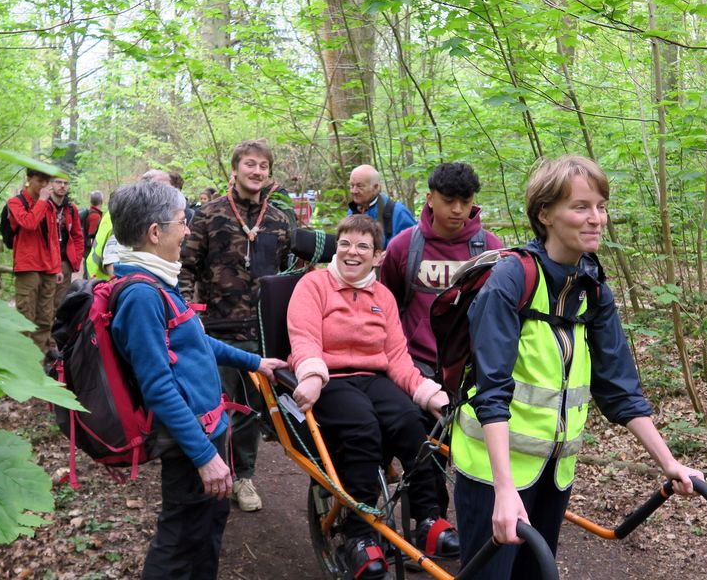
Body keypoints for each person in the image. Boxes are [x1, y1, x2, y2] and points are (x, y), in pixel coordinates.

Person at [451, 155, 704, 579]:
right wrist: (504, 489)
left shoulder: (593, 288)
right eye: (581, 206)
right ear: (545, 214)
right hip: (493, 472)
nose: (596, 218)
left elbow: (620, 389)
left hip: (553, 473)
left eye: (601, 206)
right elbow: (490, 393)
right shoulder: (512, 280)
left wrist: (670, 463)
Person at [106, 180, 286, 579]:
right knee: (179, 544)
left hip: (208, 432)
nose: (187, 230)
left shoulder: (161, 283)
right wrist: (205, 458)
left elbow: (197, 342)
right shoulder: (142, 296)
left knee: (207, 534)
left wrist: (255, 362)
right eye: (181, 221)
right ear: (155, 233)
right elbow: (158, 387)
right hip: (193, 445)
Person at [287, 214, 460, 580]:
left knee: (411, 423)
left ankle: (428, 518)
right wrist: (314, 376)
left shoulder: (382, 295)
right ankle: (359, 536)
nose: (352, 252)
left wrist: (430, 395)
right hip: (330, 377)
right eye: (346, 243)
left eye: (363, 246)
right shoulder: (313, 285)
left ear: (378, 256)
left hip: (373, 376)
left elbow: (397, 357)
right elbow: (303, 339)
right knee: (362, 428)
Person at [380, 161, 503, 516]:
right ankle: (427, 522)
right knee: (422, 449)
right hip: (413, 367)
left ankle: (447, 523)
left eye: (465, 201)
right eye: (449, 200)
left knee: (456, 451)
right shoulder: (406, 246)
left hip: (465, 371)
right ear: (430, 198)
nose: (458, 210)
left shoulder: (489, 248)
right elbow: (385, 303)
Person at [180, 139, 292, 512]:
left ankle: (243, 478)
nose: (256, 171)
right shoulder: (209, 214)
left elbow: (293, 273)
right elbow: (185, 267)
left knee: (249, 408)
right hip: (215, 329)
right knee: (213, 406)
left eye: (263, 166)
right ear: (235, 168)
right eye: (250, 164)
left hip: (260, 331)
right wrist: (187, 314)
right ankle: (210, 473)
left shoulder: (278, 220)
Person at [7, 168, 62, 353]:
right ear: (29, 179)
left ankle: (39, 364)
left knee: (45, 319)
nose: (45, 186)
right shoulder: (15, 202)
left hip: (49, 268)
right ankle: (22, 363)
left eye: (48, 182)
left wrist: (57, 267)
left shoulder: (48, 205)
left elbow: (53, 238)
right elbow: (28, 223)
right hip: (28, 266)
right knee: (25, 319)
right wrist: (41, 202)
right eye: (40, 181)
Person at [86, 169, 171, 279]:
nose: (171, 196)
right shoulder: (129, 214)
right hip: (106, 284)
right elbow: (112, 260)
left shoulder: (145, 214)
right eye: (165, 191)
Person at [347, 164, 416, 247]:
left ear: (375, 187)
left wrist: (390, 254)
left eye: (360, 186)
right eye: (351, 185)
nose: (354, 191)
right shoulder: (352, 211)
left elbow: (414, 245)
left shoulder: (397, 212)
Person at [49, 177, 84, 308]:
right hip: (46, 262)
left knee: (60, 303)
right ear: (51, 184)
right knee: (44, 303)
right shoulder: (44, 205)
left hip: (64, 262)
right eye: (58, 182)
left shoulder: (71, 208)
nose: (62, 186)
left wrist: (75, 259)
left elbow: (78, 236)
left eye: (65, 183)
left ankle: (57, 328)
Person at [79, 190, 104, 262]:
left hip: (87, 247)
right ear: (101, 201)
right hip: (90, 249)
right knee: (89, 270)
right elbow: (91, 235)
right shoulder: (95, 216)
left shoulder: (91, 212)